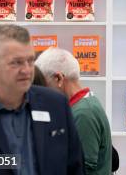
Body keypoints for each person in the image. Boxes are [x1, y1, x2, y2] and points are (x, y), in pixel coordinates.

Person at [0, 25, 84, 175]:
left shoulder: (56, 106)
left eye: (30, 61)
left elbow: (75, 167)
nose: (26, 70)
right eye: (16, 62)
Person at [36, 47, 113, 175]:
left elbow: (82, 168)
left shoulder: (83, 113)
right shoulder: (83, 106)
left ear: (59, 78)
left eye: (44, 85)